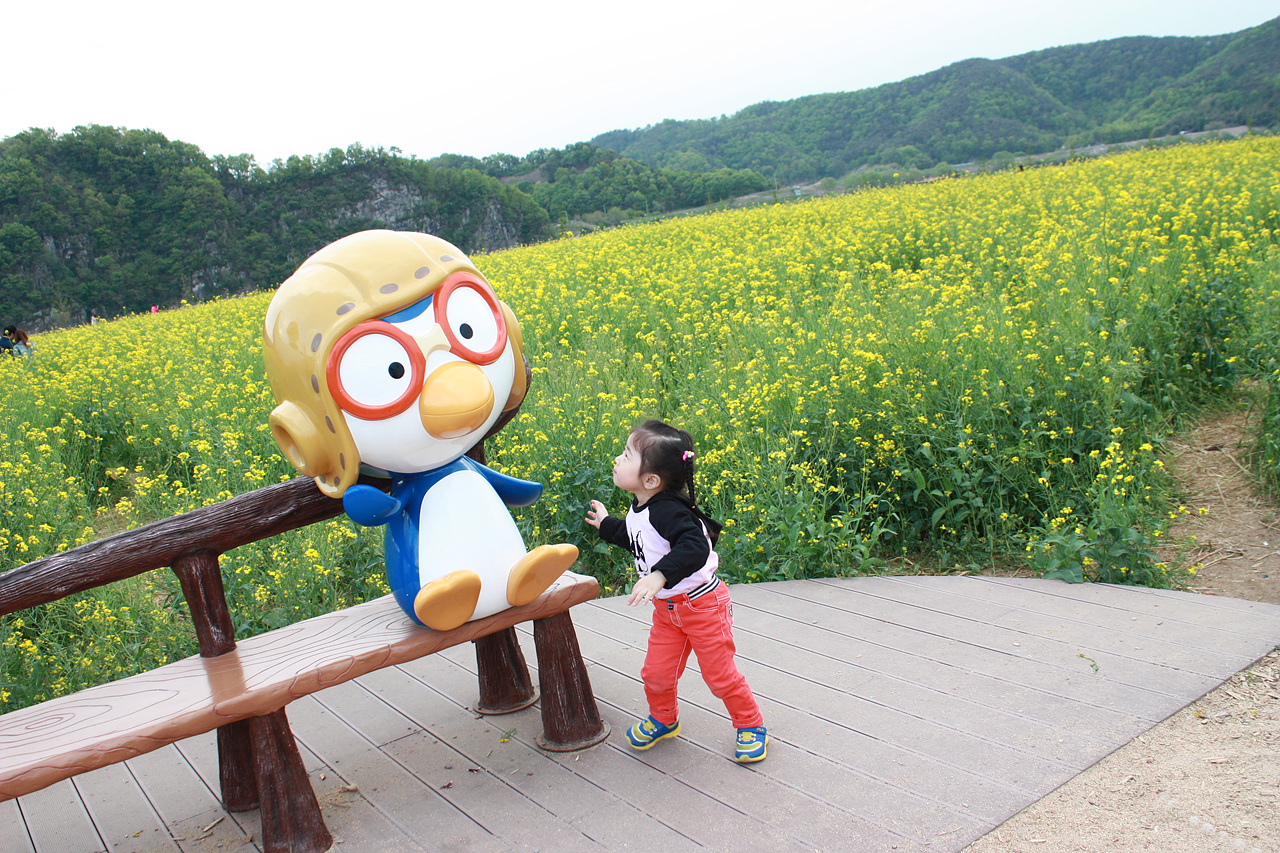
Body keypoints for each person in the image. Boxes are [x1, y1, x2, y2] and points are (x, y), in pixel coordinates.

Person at [585, 419, 768, 763]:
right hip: (668, 612)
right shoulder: (642, 505)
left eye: (626, 455)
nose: (617, 460)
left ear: (651, 480)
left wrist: (659, 577)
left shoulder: (669, 511)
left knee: (719, 676)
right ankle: (664, 719)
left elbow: (694, 547)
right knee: (656, 674)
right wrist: (607, 525)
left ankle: (751, 724)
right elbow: (639, 538)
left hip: (703, 607)